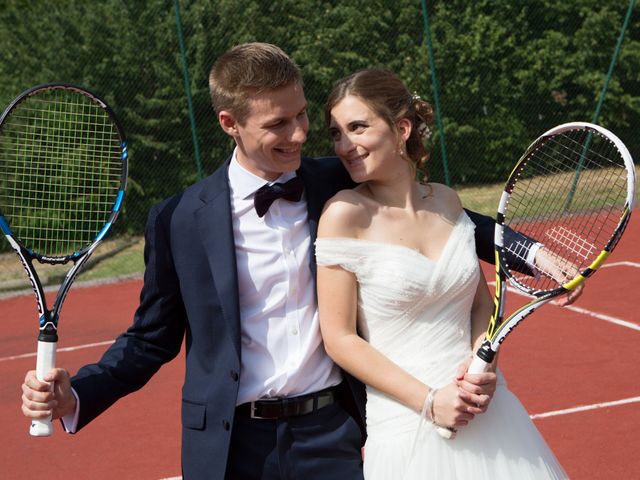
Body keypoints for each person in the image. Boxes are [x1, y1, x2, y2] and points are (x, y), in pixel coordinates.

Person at [20, 44, 573, 480]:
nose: (301, 134)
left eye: (303, 115)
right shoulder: (178, 219)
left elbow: (452, 221)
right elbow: (150, 338)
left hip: (333, 433)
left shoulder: (337, 179)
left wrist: (535, 255)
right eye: (278, 124)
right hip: (232, 444)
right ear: (229, 123)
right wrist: (79, 393)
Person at [315, 68, 568, 480]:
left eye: (357, 127)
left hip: (489, 412)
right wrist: (431, 401)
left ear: (401, 128)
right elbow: (340, 339)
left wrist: (483, 367)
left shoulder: (448, 201)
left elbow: (480, 306)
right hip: (407, 426)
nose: (344, 145)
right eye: (336, 133)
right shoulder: (343, 215)